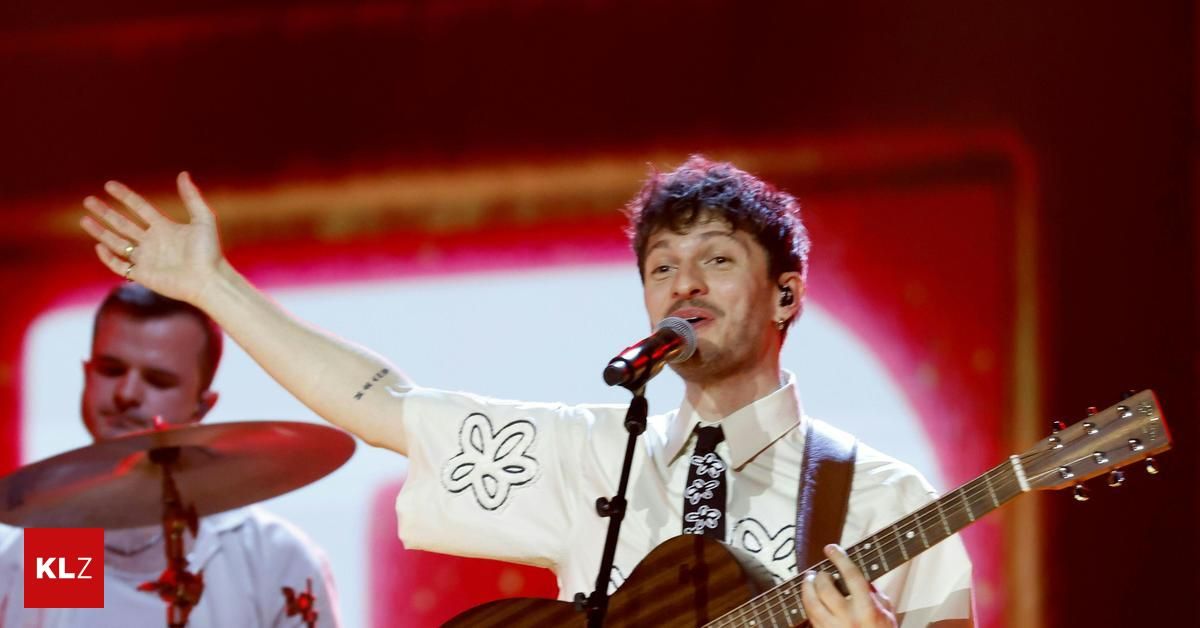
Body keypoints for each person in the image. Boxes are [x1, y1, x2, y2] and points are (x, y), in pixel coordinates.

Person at [79, 157, 974, 627]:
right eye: (661, 266)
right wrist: (211, 285)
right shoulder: (595, 452)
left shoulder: (889, 503)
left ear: (787, 294)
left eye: (716, 259)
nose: (682, 284)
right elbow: (383, 405)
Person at [0, 284, 341, 627]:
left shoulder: (271, 558)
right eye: (111, 369)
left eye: (158, 380)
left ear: (202, 406)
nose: (127, 393)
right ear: (87, 375)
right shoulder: (41, 548)